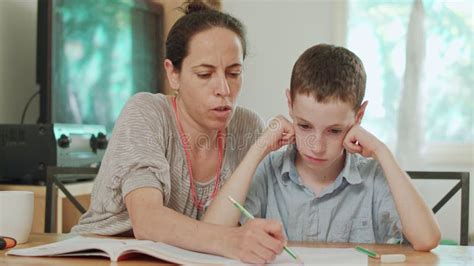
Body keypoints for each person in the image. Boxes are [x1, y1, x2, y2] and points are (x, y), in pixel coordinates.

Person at [72, 1, 288, 263]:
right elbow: (147, 221)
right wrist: (232, 240)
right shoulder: (147, 113)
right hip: (102, 258)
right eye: (204, 74)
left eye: (234, 73)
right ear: (173, 74)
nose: (224, 88)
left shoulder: (248, 126)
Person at [210, 44, 441, 251]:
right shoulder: (268, 171)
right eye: (304, 126)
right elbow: (212, 234)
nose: (317, 147)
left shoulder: (373, 178)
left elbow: (427, 239)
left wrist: (381, 151)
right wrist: (259, 147)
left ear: (359, 116)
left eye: (334, 131)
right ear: (290, 104)